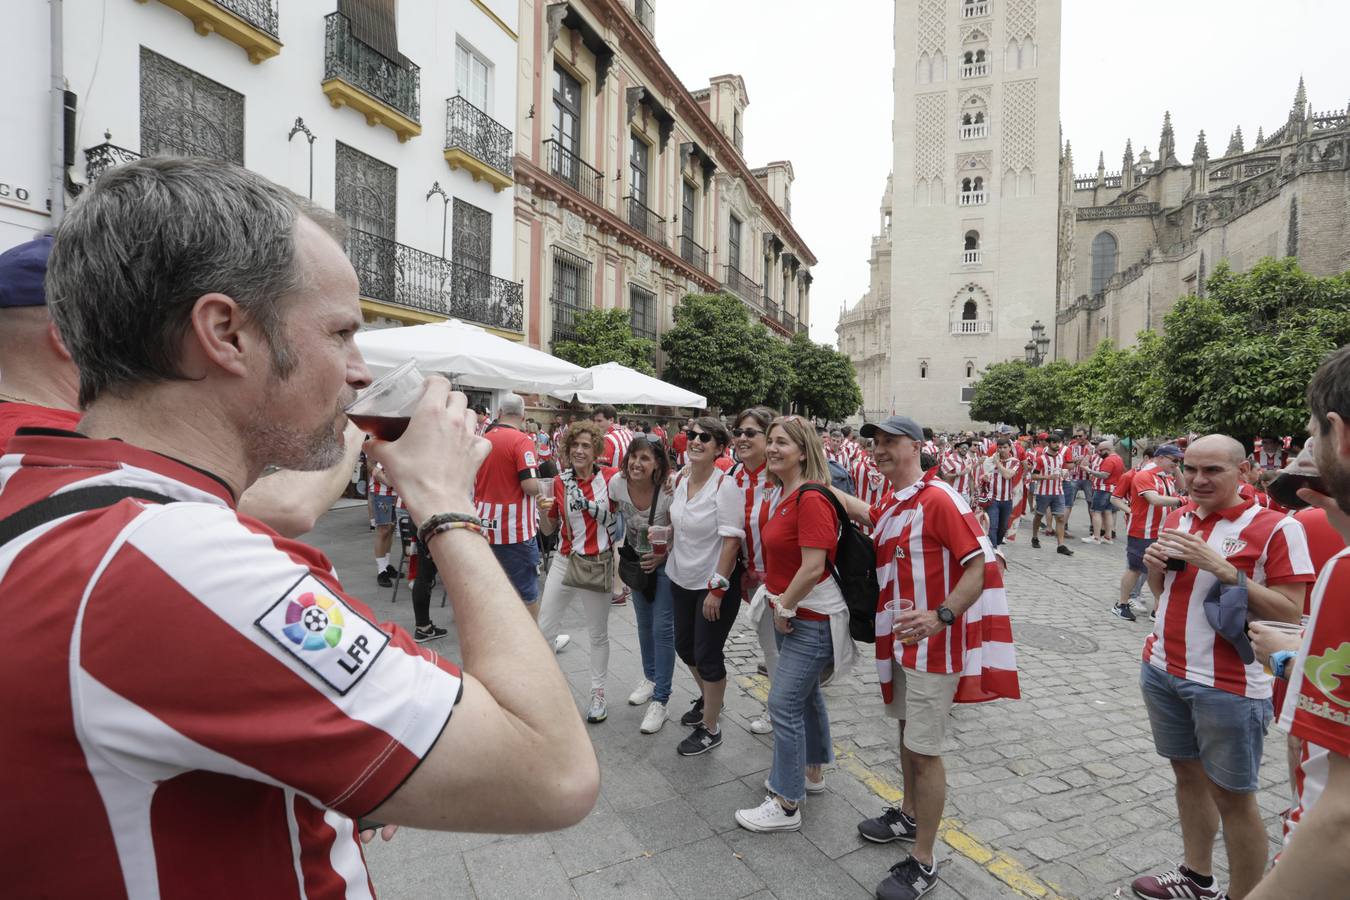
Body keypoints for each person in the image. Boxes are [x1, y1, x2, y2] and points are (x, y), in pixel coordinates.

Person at [0, 157, 598, 897]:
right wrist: (445, 505)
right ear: (226, 333)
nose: (359, 370)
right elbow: (553, 772)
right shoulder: (175, 562)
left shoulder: (43, 480)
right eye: (341, 332)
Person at [832, 416, 1017, 900]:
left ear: (916, 446)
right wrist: (817, 483)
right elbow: (869, 515)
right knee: (905, 733)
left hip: (934, 647)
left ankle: (924, 859)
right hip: (900, 641)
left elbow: (981, 565)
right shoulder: (897, 499)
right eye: (875, 442)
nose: (879, 449)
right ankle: (908, 813)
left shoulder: (938, 499)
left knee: (925, 749)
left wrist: (941, 615)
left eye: (890, 441)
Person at [1128, 436, 1315, 900]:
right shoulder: (1179, 517)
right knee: (1187, 776)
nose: (1197, 480)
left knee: (1234, 798)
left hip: (1229, 685)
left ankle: (1243, 894)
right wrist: (1155, 567)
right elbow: (1165, 595)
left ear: (1244, 471)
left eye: (1212, 470)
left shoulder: (1277, 528)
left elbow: (1291, 612)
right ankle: (1197, 876)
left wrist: (1225, 569)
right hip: (1163, 667)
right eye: (1190, 469)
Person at [1247, 349, 1350, 898]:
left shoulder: (1345, 572)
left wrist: (1291, 659)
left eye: (1314, 434)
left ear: (1340, 434)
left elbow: (1341, 823)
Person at [735, 416, 855, 832]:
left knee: (783, 704)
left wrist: (784, 607)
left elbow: (813, 567)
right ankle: (812, 772)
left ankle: (786, 802)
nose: (771, 448)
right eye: (770, 440)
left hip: (811, 619)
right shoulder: (785, 492)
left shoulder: (811, 498)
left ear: (803, 451)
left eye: (782, 442)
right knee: (805, 698)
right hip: (794, 613)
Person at [410, 393, 542, 631]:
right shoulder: (522, 441)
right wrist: (544, 486)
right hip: (515, 529)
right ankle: (532, 637)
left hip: (482, 523)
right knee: (526, 590)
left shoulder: (481, 439)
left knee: (487, 586)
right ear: (523, 416)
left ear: (499, 413)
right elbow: (530, 486)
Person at [667, 417, 745, 756]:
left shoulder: (724, 486)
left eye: (705, 437)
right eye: (692, 435)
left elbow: (731, 541)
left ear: (719, 449)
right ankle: (711, 699)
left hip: (711, 584)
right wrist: (663, 540)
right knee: (685, 648)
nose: (696, 441)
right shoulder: (681, 480)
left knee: (707, 654)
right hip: (680, 577)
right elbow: (678, 525)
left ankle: (711, 728)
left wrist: (717, 589)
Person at [536, 419, 619, 723]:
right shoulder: (559, 482)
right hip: (564, 559)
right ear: (567, 448)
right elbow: (549, 529)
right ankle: (549, 691)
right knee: (544, 629)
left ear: (596, 450)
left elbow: (642, 485)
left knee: (598, 634)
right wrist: (542, 512)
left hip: (597, 564)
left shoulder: (611, 478)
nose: (580, 450)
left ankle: (598, 693)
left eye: (586, 445)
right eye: (575, 445)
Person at [607, 435, 676, 734]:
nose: (637, 463)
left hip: (665, 565)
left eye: (645, 458)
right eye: (633, 456)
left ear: (658, 463)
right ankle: (650, 678)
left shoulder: (669, 490)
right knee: (644, 625)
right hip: (636, 562)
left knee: (662, 629)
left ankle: (661, 699)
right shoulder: (617, 484)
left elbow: (679, 528)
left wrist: (663, 555)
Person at [731, 406, 783, 735]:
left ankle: (780, 713)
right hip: (750, 578)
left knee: (775, 651)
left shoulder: (783, 477)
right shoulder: (732, 476)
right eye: (738, 432)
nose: (741, 438)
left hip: (783, 582)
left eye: (750, 433)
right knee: (771, 649)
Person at [1109, 445, 1183, 621]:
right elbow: (1153, 499)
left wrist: (1176, 468)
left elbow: (1183, 486)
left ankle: (1158, 610)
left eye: (1179, 461)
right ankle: (1122, 604)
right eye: (1175, 460)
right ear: (1160, 458)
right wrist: (1181, 501)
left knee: (1160, 570)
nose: (1177, 464)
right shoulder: (1144, 475)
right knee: (1135, 569)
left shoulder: (1166, 477)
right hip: (1143, 530)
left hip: (1162, 531)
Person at [1028, 432, 1074, 555]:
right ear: (1048, 444)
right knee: (1039, 515)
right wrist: (1048, 477)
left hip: (1058, 491)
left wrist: (1064, 473)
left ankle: (1061, 545)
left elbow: (1064, 469)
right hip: (1043, 492)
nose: (1057, 445)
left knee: (1060, 517)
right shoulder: (1041, 459)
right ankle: (1034, 537)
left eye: (1059, 442)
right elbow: (1033, 476)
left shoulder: (1060, 457)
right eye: (1054, 442)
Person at [1083, 440, 1126, 545]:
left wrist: (1089, 470)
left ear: (1107, 449)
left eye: (1101, 451)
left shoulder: (1109, 460)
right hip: (1112, 489)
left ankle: (1096, 537)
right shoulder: (1118, 458)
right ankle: (1108, 536)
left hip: (1103, 489)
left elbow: (1104, 475)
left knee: (1096, 512)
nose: (1099, 453)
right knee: (1108, 512)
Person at [982, 437, 1020, 547]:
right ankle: (993, 550)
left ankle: (996, 545)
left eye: (1005, 447)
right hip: (992, 499)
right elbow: (983, 474)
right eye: (1000, 447)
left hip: (1007, 500)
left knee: (1003, 528)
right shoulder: (990, 460)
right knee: (992, 526)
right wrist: (984, 478)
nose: (1002, 450)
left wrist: (998, 463)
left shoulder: (1014, 461)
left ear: (1010, 448)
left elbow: (1007, 475)